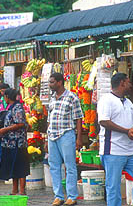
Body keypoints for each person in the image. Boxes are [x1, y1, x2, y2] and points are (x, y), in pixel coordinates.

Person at [97, 73, 133, 206]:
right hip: (113, 150)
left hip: (132, 149)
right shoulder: (106, 100)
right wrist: (126, 131)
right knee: (113, 186)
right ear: (122, 83)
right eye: (128, 82)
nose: (130, 85)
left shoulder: (128, 102)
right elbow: (104, 122)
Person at [47, 73, 83, 206]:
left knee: (70, 166)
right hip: (52, 135)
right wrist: (47, 138)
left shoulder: (72, 97)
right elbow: (49, 119)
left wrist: (79, 138)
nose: (50, 85)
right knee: (54, 167)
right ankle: (58, 196)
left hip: (66, 134)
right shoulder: (52, 98)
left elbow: (79, 118)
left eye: (52, 82)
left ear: (60, 82)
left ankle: (72, 196)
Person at [0, 88, 30, 195]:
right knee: (13, 168)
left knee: (20, 168)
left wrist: (5, 129)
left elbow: (20, 123)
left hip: (17, 143)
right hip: (9, 143)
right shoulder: (11, 108)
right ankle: (14, 189)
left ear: (7, 97)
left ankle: (22, 190)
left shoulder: (17, 108)